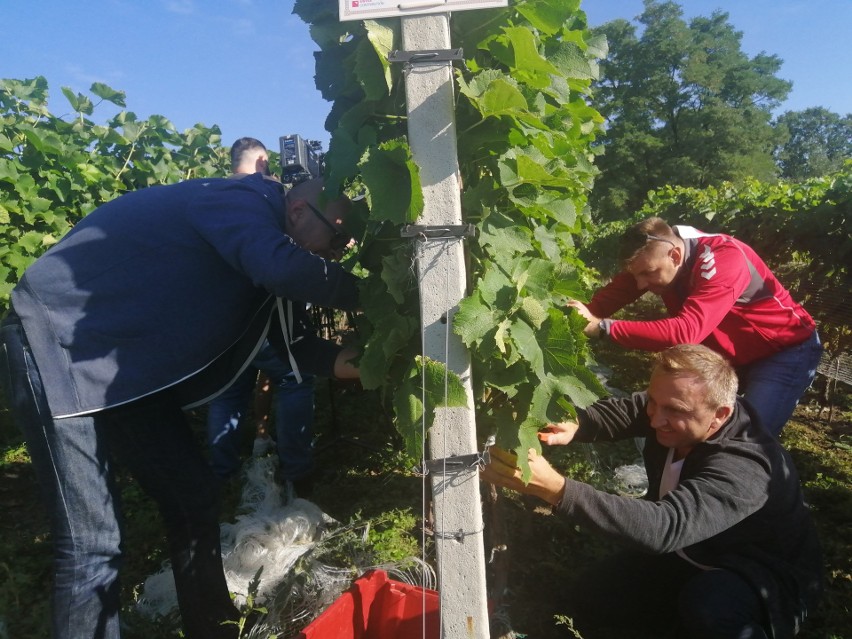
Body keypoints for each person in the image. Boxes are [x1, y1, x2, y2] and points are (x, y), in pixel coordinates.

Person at [0, 171, 359, 639]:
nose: (338, 253)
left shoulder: (275, 249)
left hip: (123, 368)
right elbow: (282, 269)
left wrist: (380, 360)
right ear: (297, 211)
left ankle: (214, 629)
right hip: (56, 343)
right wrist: (373, 295)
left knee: (193, 496)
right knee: (93, 542)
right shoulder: (244, 200)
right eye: (337, 236)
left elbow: (305, 350)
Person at [481, 343, 823, 639]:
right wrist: (578, 423)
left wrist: (558, 491)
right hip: (691, 552)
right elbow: (632, 410)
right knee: (591, 596)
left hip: (756, 574)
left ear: (721, 414)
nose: (656, 419)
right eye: (654, 403)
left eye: (673, 411)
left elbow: (664, 528)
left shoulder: (747, 466)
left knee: (709, 607)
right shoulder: (680, 407)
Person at [568, 217, 822, 436]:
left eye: (647, 274)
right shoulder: (655, 257)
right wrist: (570, 316)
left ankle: (746, 487)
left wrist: (602, 328)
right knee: (691, 424)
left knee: (749, 434)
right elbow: (608, 298)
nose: (640, 284)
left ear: (675, 256)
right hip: (730, 354)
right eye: (636, 275)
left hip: (783, 351)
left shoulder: (725, 259)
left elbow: (686, 332)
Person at [206, 138, 319, 495]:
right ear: (263, 162)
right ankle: (296, 474)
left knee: (226, 393)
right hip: (264, 316)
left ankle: (222, 475)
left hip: (223, 318)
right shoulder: (266, 195)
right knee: (295, 381)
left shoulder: (215, 194)